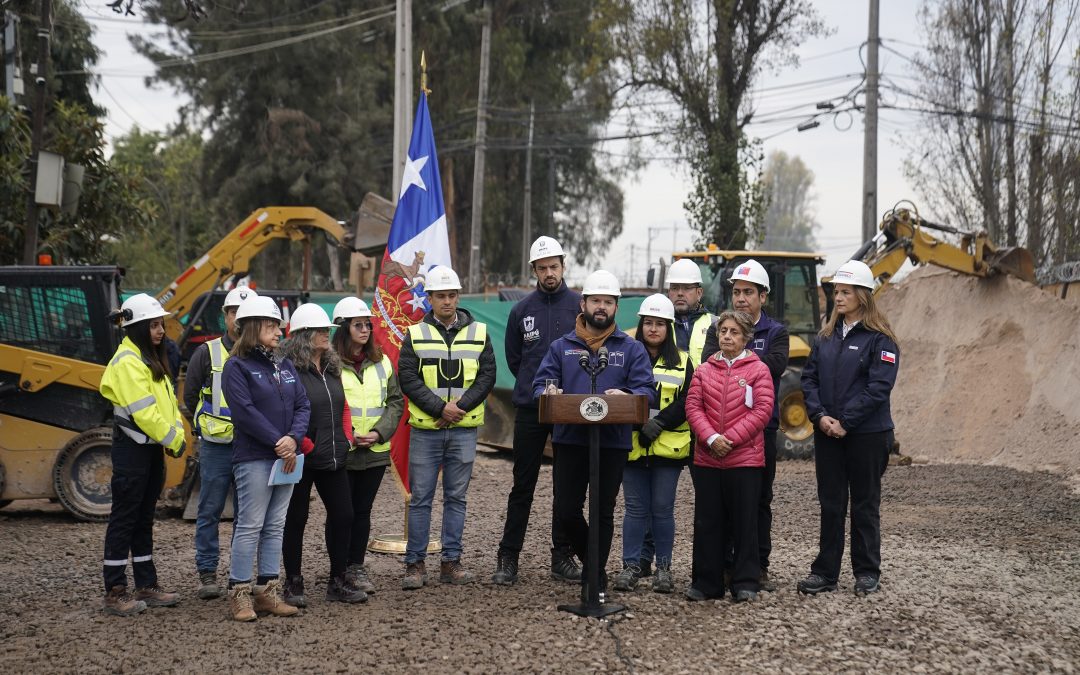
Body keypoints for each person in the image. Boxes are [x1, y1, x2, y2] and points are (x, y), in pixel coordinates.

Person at [532, 270, 655, 595]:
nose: (601, 307)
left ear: (616, 307)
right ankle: (595, 564)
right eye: (596, 300)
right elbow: (539, 387)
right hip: (570, 441)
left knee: (603, 510)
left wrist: (628, 397)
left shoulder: (631, 349)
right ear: (583, 303)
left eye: (608, 302)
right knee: (567, 509)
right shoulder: (562, 347)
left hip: (612, 443)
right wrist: (550, 393)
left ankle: (594, 580)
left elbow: (647, 391)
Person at [798, 260, 899, 597]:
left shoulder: (880, 340)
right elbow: (808, 379)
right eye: (836, 292)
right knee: (831, 503)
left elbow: (878, 388)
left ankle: (867, 572)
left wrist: (846, 422)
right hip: (829, 435)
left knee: (864, 504)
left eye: (845, 292)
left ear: (863, 296)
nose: (838, 298)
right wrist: (819, 417)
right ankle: (825, 572)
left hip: (868, 436)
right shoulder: (825, 338)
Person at [397, 265, 497, 590]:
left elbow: (487, 376)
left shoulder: (480, 333)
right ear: (430, 298)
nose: (447, 301)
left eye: (452, 295)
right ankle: (415, 564)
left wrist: (459, 409)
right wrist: (441, 408)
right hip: (427, 429)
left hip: (463, 428)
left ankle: (450, 561)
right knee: (421, 498)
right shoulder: (414, 334)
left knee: (457, 498)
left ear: (458, 296)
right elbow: (408, 378)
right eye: (441, 296)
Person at [492, 236, 583, 586]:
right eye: (542, 268)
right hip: (531, 410)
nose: (549, 273)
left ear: (563, 266)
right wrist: (537, 387)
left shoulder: (579, 306)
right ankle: (508, 556)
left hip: (569, 411)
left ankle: (562, 556)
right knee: (522, 485)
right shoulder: (521, 311)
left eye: (554, 266)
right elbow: (516, 360)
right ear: (533, 270)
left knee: (566, 486)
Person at [701, 259, 789, 591]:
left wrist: (738, 360)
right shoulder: (718, 329)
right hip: (720, 431)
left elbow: (776, 367)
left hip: (759, 431)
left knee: (759, 501)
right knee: (722, 503)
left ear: (763, 297)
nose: (741, 298)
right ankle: (725, 565)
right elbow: (709, 365)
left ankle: (757, 565)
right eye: (737, 292)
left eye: (748, 293)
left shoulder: (776, 333)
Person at [222, 295, 310, 621]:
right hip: (255, 457)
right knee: (250, 525)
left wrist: (293, 439)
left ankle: (268, 592)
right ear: (253, 327)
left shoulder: (285, 365)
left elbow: (302, 405)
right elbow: (244, 413)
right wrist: (279, 441)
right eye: (271, 325)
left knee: (275, 526)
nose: (278, 331)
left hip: (285, 457)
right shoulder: (237, 367)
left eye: (278, 325)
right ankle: (240, 594)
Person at [99, 293, 186, 616]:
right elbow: (145, 414)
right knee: (125, 518)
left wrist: (175, 434)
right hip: (132, 449)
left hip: (149, 450)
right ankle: (115, 590)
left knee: (144, 517)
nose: (161, 330)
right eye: (153, 325)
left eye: (161, 324)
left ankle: (146, 584)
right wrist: (173, 439)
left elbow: (167, 405)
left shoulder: (149, 360)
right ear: (135, 328)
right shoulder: (128, 363)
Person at [279, 303, 367, 605]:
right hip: (303, 457)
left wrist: (345, 437)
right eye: (319, 330)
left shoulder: (330, 367)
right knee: (296, 519)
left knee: (344, 515)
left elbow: (341, 405)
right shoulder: (289, 370)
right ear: (302, 335)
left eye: (326, 330)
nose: (325, 334)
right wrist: (305, 445)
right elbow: (285, 412)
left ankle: (337, 579)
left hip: (333, 456)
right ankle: (293, 581)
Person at [684, 310, 774, 603]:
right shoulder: (704, 370)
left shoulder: (758, 370)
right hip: (708, 459)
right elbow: (693, 408)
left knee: (745, 522)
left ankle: (745, 581)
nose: (727, 336)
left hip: (744, 460)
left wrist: (730, 440)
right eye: (723, 331)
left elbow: (762, 411)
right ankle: (706, 583)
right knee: (708, 522)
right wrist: (710, 438)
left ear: (746, 337)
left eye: (734, 332)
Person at [613, 294, 692, 595]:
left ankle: (664, 569)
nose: (654, 329)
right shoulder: (626, 358)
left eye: (660, 324)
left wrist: (658, 424)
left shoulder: (684, 362)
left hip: (667, 448)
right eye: (649, 323)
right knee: (634, 509)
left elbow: (689, 401)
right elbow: (617, 394)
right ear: (641, 324)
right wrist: (638, 424)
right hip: (633, 444)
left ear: (669, 327)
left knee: (662, 509)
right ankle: (631, 566)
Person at [183, 285, 257, 600]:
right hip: (215, 445)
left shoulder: (261, 355)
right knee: (210, 509)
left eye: (244, 314)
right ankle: (207, 573)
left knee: (247, 514)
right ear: (225, 316)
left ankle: (240, 576)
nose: (238, 319)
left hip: (250, 446)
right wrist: (200, 428)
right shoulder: (207, 352)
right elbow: (189, 396)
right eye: (233, 313)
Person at [332, 296, 404, 594]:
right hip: (343, 452)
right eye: (357, 325)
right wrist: (346, 437)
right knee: (342, 513)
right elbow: (326, 406)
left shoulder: (382, 361)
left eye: (367, 325)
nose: (364, 330)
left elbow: (395, 402)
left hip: (374, 451)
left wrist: (378, 433)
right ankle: (337, 572)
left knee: (362, 512)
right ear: (343, 328)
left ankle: (356, 567)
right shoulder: (330, 365)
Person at [666, 258, 716, 366]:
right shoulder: (660, 323)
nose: (680, 293)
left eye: (686, 288)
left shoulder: (716, 324)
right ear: (668, 292)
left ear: (699, 293)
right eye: (674, 288)